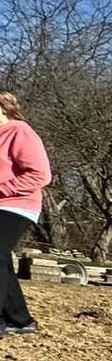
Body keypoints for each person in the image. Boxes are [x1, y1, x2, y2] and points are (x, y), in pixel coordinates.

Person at [0, 92, 51, 338]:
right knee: (2, 261)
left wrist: (2, 189)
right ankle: (19, 320)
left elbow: (40, 175)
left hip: (17, 205)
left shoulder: (19, 131)